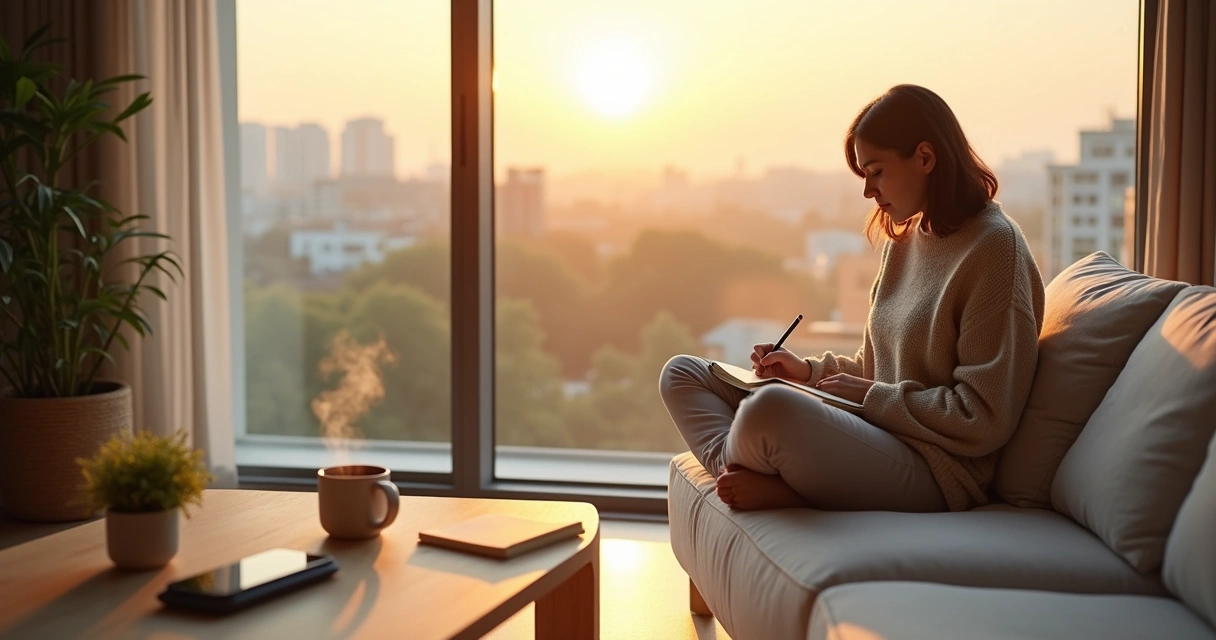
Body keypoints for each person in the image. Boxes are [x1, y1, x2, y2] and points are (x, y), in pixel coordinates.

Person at [659, 84, 1044, 513]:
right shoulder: (907, 239)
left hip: (934, 467)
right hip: (871, 433)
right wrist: (805, 372)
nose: (868, 192)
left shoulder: (994, 250)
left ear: (925, 158)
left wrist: (868, 396)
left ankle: (782, 486)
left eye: (876, 172)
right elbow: (875, 368)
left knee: (768, 411)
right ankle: (755, 474)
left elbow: (983, 418)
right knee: (684, 374)